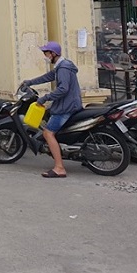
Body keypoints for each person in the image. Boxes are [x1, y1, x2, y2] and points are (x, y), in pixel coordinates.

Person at [22, 41, 82, 179]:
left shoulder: (64, 68)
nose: (45, 55)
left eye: (46, 53)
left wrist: (45, 98)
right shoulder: (61, 66)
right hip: (70, 104)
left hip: (66, 107)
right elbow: (48, 77)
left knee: (48, 133)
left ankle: (59, 168)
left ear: (53, 54)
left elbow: (63, 88)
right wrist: (30, 82)